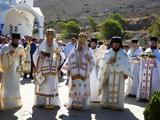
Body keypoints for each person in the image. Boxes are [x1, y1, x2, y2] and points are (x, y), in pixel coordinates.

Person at [98, 36, 132, 110]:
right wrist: (108, 62)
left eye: (117, 44)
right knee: (106, 88)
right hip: (109, 74)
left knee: (119, 89)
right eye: (114, 44)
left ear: (120, 44)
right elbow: (102, 64)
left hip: (120, 75)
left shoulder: (124, 53)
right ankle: (105, 103)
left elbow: (127, 64)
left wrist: (126, 73)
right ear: (112, 44)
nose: (116, 45)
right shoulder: (107, 52)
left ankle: (118, 105)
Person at [62, 33, 94, 110]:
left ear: (85, 43)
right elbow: (68, 60)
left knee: (82, 89)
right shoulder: (74, 51)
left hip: (84, 75)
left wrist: (89, 60)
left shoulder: (88, 52)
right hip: (74, 74)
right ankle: (73, 103)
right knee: (74, 89)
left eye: (82, 43)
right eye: (79, 42)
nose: (81, 44)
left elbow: (92, 64)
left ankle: (82, 104)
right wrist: (68, 69)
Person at [33, 29, 63, 109]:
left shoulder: (56, 46)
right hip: (43, 70)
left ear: (53, 38)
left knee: (51, 87)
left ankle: (51, 103)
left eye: (51, 38)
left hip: (53, 71)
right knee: (43, 87)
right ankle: (42, 103)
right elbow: (35, 56)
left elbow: (62, 57)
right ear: (46, 38)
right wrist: (41, 57)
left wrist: (58, 56)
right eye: (48, 38)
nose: (49, 40)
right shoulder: (41, 46)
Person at [0, 33, 25, 110]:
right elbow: (1, 56)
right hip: (7, 71)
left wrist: (21, 65)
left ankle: (15, 102)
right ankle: (6, 103)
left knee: (15, 85)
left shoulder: (21, 47)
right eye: (15, 40)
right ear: (12, 39)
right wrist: (7, 54)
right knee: (7, 86)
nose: (16, 42)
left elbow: (23, 57)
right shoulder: (5, 47)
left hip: (16, 70)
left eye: (18, 40)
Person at [137, 37, 160, 101]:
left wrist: (155, 60)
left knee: (154, 84)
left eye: (154, 43)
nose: (152, 44)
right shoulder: (146, 51)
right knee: (144, 82)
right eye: (151, 42)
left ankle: (153, 98)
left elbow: (159, 62)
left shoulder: (158, 52)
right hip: (146, 70)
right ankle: (144, 97)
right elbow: (142, 59)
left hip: (155, 70)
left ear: (156, 43)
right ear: (149, 43)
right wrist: (140, 58)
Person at [89, 38, 100, 102]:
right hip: (90, 69)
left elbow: (100, 59)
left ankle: (96, 97)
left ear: (96, 44)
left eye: (94, 43)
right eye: (92, 43)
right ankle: (89, 97)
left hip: (96, 69)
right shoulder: (88, 50)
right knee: (90, 82)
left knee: (96, 82)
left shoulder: (99, 51)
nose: (93, 45)